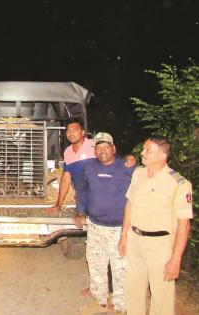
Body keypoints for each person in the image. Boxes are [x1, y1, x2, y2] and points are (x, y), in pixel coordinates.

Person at [118, 136, 193, 315]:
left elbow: (184, 225)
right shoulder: (138, 173)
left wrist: (176, 259)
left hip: (161, 246)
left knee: (162, 296)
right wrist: (124, 235)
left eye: (148, 151)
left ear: (162, 156)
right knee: (134, 290)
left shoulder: (179, 184)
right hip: (135, 241)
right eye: (144, 149)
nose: (142, 153)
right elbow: (130, 204)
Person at [73, 132, 135, 313]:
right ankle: (100, 300)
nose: (102, 151)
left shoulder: (127, 166)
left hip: (119, 229)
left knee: (120, 269)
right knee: (95, 263)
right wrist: (80, 211)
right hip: (95, 226)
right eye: (98, 148)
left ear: (113, 148)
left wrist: (134, 159)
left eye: (106, 147)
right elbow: (82, 190)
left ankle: (121, 305)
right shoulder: (89, 167)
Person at [47, 118, 96, 213]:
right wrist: (58, 205)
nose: (71, 133)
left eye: (74, 130)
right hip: (82, 201)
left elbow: (110, 156)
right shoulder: (68, 152)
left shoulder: (94, 146)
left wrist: (127, 158)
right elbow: (66, 179)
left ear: (82, 132)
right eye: (68, 131)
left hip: (99, 200)